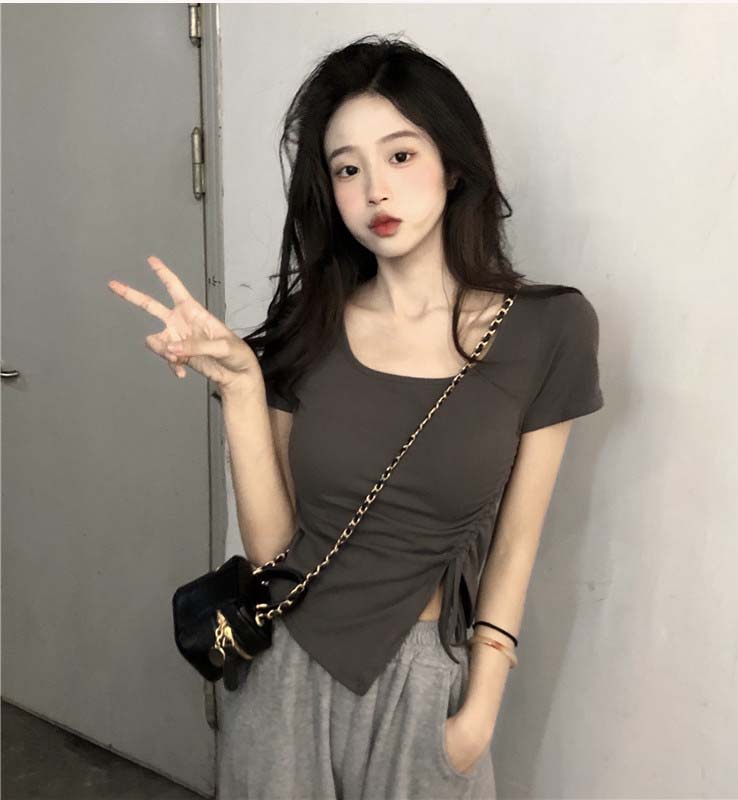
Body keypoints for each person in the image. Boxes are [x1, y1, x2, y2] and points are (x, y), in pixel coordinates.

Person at [108, 33, 604, 800]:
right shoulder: (306, 331)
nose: (376, 190)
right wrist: (241, 387)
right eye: (347, 168)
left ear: (453, 162)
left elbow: (517, 539)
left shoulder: (549, 329)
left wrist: (477, 714)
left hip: (425, 687)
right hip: (284, 681)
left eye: (400, 155)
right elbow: (276, 551)